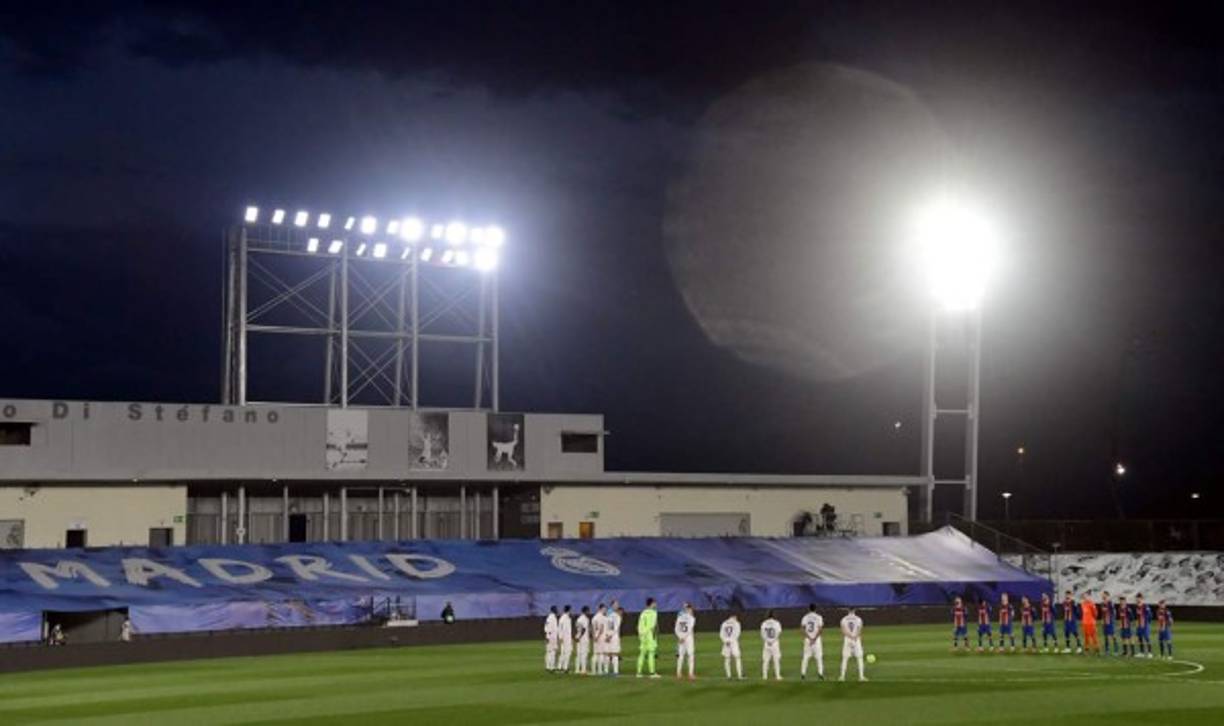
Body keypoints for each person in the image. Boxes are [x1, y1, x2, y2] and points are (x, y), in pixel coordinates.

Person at [839, 608, 866, 682]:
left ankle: (842, 677)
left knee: (845, 658)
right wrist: (854, 637)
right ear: (854, 610)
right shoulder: (858, 619)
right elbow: (859, 630)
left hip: (847, 640)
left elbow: (843, 630)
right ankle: (861, 677)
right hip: (856, 639)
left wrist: (850, 637)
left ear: (848, 610)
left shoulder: (843, 619)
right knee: (859, 658)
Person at [636, 598, 661, 678]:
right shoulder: (654, 613)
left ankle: (639, 672)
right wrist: (654, 635)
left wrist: (640, 634)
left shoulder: (643, 613)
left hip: (642, 635)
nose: (656, 604)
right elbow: (653, 626)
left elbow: (639, 625)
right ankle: (652, 673)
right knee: (651, 653)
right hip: (650, 634)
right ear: (652, 604)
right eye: (655, 603)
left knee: (642, 653)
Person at [800, 604, 825, 680]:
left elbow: (802, 629)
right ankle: (820, 674)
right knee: (819, 658)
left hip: (808, 640)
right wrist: (814, 639)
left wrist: (809, 638)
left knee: (806, 657)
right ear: (815, 609)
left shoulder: (805, 617)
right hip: (816, 640)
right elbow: (820, 629)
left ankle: (803, 674)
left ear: (809, 609)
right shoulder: (819, 617)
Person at [674, 602, 697, 679]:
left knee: (681, 656)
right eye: (690, 608)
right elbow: (690, 629)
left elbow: (676, 629)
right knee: (690, 655)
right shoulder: (691, 618)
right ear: (688, 609)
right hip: (688, 638)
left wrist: (680, 637)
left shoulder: (679, 617)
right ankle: (690, 674)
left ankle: (678, 673)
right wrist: (684, 637)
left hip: (681, 638)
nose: (691, 609)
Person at [720, 612, 744, 680]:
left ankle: (728, 676)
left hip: (726, 643)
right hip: (733, 642)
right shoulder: (736, 623)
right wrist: (731, 640)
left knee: (727, 659)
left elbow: (721, 634)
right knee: (737, 658)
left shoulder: (724, 623)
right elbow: (737, 634)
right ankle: (739, 675)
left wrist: (726, 641)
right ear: (734, 616)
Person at [760, 610, 783, 680]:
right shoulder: (776, 623)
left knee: (765, 660)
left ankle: (764, 676)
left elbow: (762, 634)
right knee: (776, 660)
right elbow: (779, 633)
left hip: (767, 643)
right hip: (774, 643)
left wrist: (767, 641)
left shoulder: (764, 623)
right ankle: (777, 676)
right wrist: (773, 640)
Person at [608, 606, 624, 676]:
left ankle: (607, 670)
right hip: (614, 637)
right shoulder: (618, 617)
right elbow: (615, 628)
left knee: (609, 654)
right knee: (615, 654)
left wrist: (607, 636)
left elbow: (608, 626)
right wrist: (611, 636)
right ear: (619, 611)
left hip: (608, 636)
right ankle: (615, 671)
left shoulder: (610, 616)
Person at [1135, 593, 1153, 658]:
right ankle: (1141, 652)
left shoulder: (1146, 606)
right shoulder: (1137, 606)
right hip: (1139, 625)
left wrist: (1148, 623)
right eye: (1137, 598)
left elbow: (1150, 615)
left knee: (1147, 638)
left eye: (1138, 598)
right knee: (1140, 638)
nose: (1137, 599)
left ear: (1141, 598)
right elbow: (1137, 616)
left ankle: (1150, 653)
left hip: (1145, 625)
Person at [575, 606, 592, 675]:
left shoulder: (578, 619)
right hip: (583, 638)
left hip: (578, 638)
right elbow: (584, 629)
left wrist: (577, 637)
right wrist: (579, 637)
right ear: (585, 611)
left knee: (579, 654)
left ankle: (577, 669)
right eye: (588, 611)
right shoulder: (585, 619)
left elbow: (577, 628)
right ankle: (583, 670)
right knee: (584, 654)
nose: (589, 612)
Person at [590, 604, 607, 675]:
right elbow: (602, 628)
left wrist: (594, 637)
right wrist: (598, 636)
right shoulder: (603, 618)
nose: (605, 610)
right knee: (601, 654)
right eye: (605, 609)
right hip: (601, 636)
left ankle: (593, 670)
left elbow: (592, 628)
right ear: (601, 609)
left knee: (595, 654)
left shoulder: (594, 618)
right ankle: (600, 670)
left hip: (595, 636)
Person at [557, 605, 574, 673]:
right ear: (569, 610)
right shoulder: (563, 618)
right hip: (565, 638)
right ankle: (565, 667)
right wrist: (561, 637)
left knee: (564, 653)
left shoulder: (566, 618)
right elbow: (560, 629)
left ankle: (560, 667)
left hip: (567, 638)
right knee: (566, 653)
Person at [544, 606, 559, 672]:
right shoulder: (552, 618)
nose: (557, 610)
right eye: (556, 609)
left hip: (550, 636)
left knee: (548, 652)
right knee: (552, 652)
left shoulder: (549, 617)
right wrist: (548, 636)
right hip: (552, 637)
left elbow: (546, 627)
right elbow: (549, 628)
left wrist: (547, 636)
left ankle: (548, 666)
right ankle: (552, 667)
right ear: (554, 610)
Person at [1100, 591, 1116, 655]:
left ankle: (1116, 649)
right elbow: (1103, 613)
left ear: (1107, 595)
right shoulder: (1102, 603)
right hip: (1104, 622)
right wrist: (1102, 619)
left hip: (1110, 622)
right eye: (1102, 595)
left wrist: (1112, 620)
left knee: (1112, 635)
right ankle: (1107, 650)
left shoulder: (1110, 603)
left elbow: (1114, 612)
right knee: (1106, 636)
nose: (1103, 596)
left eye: (1104, 595)